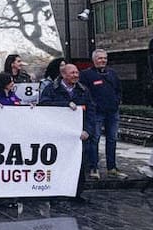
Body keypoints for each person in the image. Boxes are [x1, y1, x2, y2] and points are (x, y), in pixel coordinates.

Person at [40, 63, 94, 198]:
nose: (76, 75)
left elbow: (91, 112)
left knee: (78, 163)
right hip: (58, 133)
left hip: (78, 135)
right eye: (73, 73)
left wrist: (88, 130)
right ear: (63, 75)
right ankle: (55, 193)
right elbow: (44, 105)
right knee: (57, 162)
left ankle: (77, 193)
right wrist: (65, 105)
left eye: (77, 73)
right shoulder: (51, 89)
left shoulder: (83, 90)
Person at [80, 49, 124, 180]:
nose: (103, 60)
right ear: (94, 60)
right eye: (100, 58)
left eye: (104, 58)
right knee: (95, 140)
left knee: (112, 139)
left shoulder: (112, 74)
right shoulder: (86, 74)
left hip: (112, 112)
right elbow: (84, 92)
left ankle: (112, 168)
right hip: (96, 114)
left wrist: (116, 102)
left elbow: (118, 90)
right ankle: (94, 167)